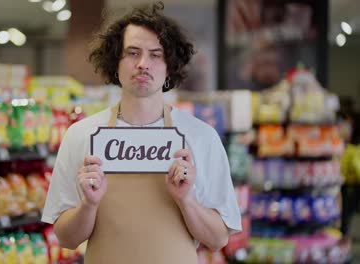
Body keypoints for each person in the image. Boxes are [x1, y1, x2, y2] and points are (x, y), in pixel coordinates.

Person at [42, 2, 241, 263]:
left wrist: (186, 200)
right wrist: (88, 205)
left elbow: (218, 240)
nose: (143, 64)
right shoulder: (81, 135)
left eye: (156, 54)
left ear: (170, 65)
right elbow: (66, 239)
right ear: (115, 61)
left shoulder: (201, 137)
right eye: (132, 53)